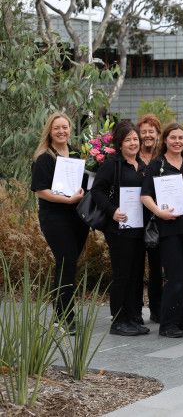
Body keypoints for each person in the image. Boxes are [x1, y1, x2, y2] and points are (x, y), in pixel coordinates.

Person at [140, 123, 183, 338]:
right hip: (167, 228)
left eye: (181, 138)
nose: (177, 141)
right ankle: (167, 324)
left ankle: (182, 319)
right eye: (173, 137)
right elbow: (145, 196)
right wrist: (159, 212)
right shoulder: (157, 164)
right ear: (165, 140)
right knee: (175, 276)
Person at [31, 112, 89, 333]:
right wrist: (66, 199)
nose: (62, 131)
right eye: (57, 128)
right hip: (55, 217)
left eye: (65, 127)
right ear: (50, 131)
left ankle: (58, 315)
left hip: (78, 217)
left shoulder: (76, 153)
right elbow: (40, 191)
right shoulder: (44, 157)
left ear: (70, 129)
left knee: (68, 264)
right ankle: (67, 317)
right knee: (67, 262)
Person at [92, 120, 150, 336]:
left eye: (135, 139)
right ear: (120, 143)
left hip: (138, 228)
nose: (133, 143)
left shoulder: (142, 166)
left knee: (136, 275)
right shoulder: (112, 164)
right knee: (122, 275)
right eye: (128, 140)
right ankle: (118, 321)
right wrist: (112, 210)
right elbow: (97, 191)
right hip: (118, 229)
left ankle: (133, 317)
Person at [136, 113, 163, 323]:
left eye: (151, 131)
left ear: (158, 134)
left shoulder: (162, 159)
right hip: (134, 218)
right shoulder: (132, 156)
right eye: (143, 131)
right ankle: (134, 309)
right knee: (135, 267)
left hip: (157, 219)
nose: (147, 135)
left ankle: (156, 309)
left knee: (156, 267)